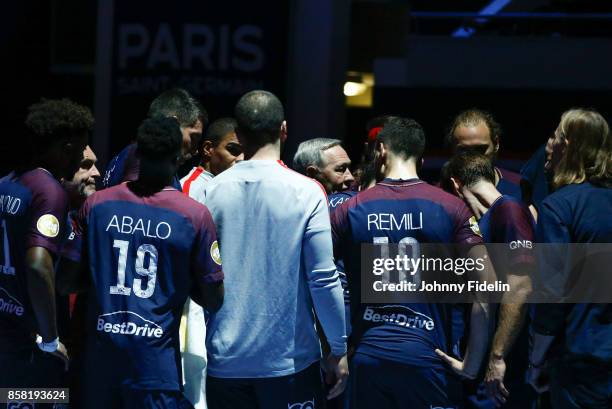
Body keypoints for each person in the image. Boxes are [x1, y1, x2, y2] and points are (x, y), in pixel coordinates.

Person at [331, 118, 493, 409]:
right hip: (428, 358)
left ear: (380, 150)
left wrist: (334, 351)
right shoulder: (451, 207)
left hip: (368, 357)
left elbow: (318, 278)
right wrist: (473, 364)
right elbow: (486, 285)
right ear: (421, 156)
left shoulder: (349, 209)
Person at [202, 90, 348, 409]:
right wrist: (338, 348)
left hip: (225, 362)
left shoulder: (209, 193)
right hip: (289, 363)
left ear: (239, 135)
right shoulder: (308, 192)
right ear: (284, 129)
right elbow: (323, 279)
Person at [76, 117, 224, 408]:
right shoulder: (194, 215)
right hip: (155, 368)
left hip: (100, 364)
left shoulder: (97, 205)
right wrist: (179, 277)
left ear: (138, 153)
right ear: (178, 157)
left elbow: (68, 279)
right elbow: (213, 298)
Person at [0, 98, 92, 389]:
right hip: (28, 343)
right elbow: (39, 264)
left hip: (5, 329)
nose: (80, 160)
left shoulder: (7, 183)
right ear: (67, 149)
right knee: (49, 399)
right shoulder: (49, 192)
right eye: (80, 151)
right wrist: (51, 340)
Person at [528, 108, 612, 409]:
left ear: (568, 145)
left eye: (556, 136)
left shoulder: (559, 208)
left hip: (580, 360)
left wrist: (537, 362)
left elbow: (551, 293)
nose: (550, 143)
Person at [447, 152, 536, 408]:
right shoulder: (487, 219)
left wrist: (497, 357)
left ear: (455, 184)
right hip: (482, 362)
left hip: (502, 369)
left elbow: (521, 286)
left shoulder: (508, 209)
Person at [179, 117, 243, 409]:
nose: (239, 158)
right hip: (193, 305)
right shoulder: (190, 187)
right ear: (207, 149)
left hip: (222, 297)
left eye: (243, 151)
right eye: (232, 149)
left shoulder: (230, 185)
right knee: (196, 387)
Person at [55, 144, 101, 408]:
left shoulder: (95, 219)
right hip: (39, 354)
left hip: (80, 359)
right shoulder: (41, 219)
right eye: (85, 166)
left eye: (95, 164)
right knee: (15, 396)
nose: (96, 173)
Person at [103, 88, 207, 189]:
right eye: (194, 137)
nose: (196, 150)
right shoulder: (143, 162)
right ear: (173, 124)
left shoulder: (133, 156)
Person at [447, 109, 522, 202]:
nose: (473, 158)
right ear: (453, 149)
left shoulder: (521, 188)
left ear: (496, 144)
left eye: (480, 149)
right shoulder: (439, 195)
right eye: (464, 151)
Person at [181, 117, 244, 200]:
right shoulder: (189, 191)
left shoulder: (238, 188)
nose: (241, 159)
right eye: (233, 149)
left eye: (246, 152)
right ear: (208, 149)